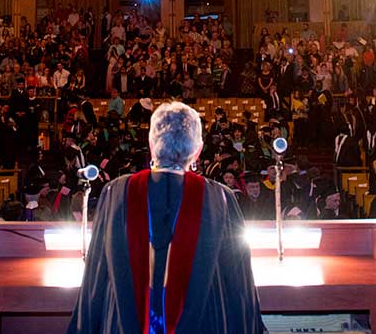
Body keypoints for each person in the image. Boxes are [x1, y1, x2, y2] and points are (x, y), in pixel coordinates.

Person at [66, 101, 263, 334]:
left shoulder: (116, 192)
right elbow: (239, 285)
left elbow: (95, 279)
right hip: (203, 324)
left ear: (151, 145)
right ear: (197, 151)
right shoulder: (219, 197)